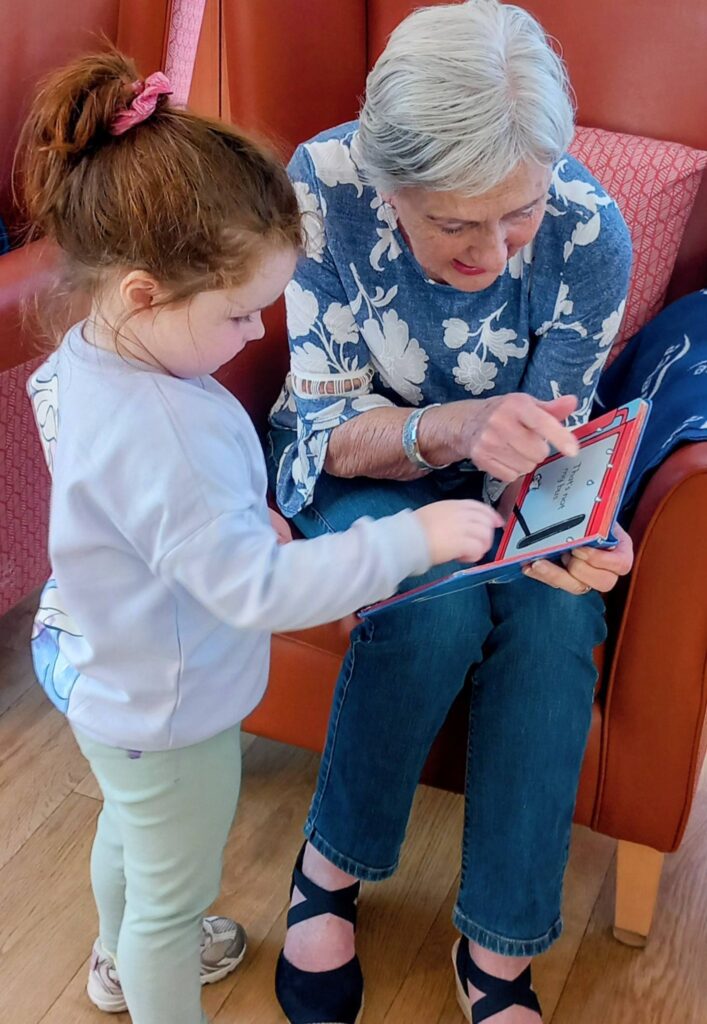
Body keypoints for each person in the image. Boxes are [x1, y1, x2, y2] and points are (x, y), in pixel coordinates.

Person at [18, 49, 502, 1024]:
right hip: (167, 705)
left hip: (97, 652)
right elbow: (259, 593)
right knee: (171, 897)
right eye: (239, 312)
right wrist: (413, 537)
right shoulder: (169, 430)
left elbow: (143, 517)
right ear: (144, 292)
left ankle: (115, 954)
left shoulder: (90, 354)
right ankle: (144, 969)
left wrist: (240, 519)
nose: (252, 336)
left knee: (133, 833)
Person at [268, 2, 635, 1022]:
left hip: (496, 479)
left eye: (517, 212)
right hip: (357, 460)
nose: (496, 252)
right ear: (388, 186)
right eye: (454, 224)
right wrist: (456, 429)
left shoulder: (586, 231)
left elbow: (552, 443)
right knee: (431, 598)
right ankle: (329, 868)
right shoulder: (324, 184)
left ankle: (498, 949)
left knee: (559, 612)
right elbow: (327, 427)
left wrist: (581, 524)